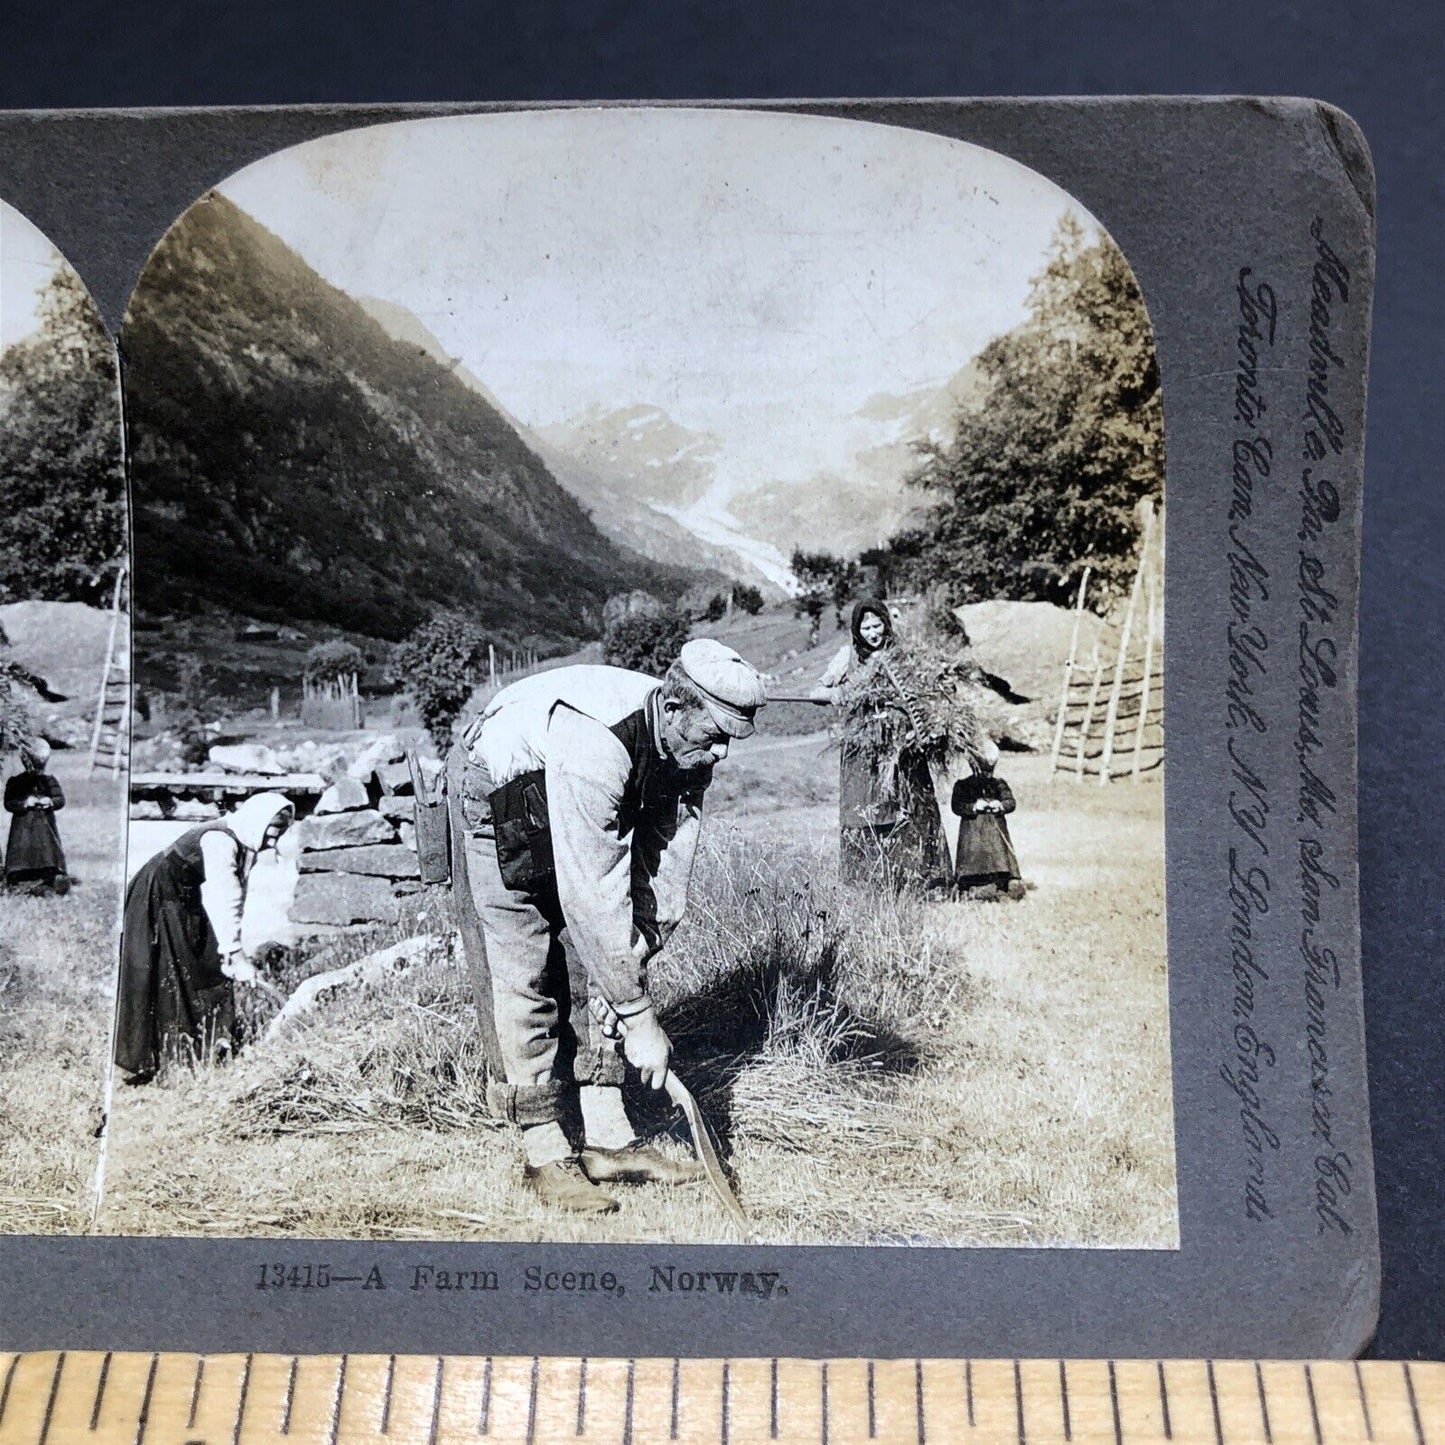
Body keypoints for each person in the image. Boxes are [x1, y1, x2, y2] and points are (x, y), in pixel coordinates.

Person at [448, 639, 767, 1214]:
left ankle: (608, 1142)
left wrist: (632, 968)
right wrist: (640, 1018)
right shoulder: (599, 743)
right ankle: (545, 1150)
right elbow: (591, 897)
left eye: (731, 740)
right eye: (715, 735)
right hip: (497, 789)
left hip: (565, 793)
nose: (721, 753)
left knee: (603, 966)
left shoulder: (688, 751)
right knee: (526, 965)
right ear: (673, 710)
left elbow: (665, 872)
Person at [114, 792, 295, 1082]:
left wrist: (230, 953)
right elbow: (226, 895)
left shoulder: (245, 841)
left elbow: (238, 896)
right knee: (172, 970)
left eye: (280, 835)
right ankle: (170, 1058)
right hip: (156, 895)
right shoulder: (220, 840)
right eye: (272, 833)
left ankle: (205, 1048)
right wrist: (235, 953)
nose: (273, 842)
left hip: (183, 897)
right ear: (258, 822)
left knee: (205, 962)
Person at [813, 599, 949, 888]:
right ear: (856, 630)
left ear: (886, 624)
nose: (873, 633)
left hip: (902, 746)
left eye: (878, 626)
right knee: (868, 805)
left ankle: (921, 879)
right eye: (866, 628)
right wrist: (835, 693)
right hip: (863, 748)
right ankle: (869, 881)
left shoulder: (900, 656)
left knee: (910, 805)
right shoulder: (847, 656)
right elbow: (817, 690)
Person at [950, 754, 1025, 901]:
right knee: (973, 864)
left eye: (989, 771)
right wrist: (973, 807)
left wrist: (1001, 805)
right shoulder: (963, 785)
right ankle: (972, 888)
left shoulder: (999, 784)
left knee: (999, 862)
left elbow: (1011, 802)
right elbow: (956, 806)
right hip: (972, 834)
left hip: (995, 833)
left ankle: (999, 886)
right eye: (982, 770)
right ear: (974, 767)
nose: (986, 775)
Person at [4, 739, 68, 894]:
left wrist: (51, 801)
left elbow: (60, 799)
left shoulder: (49, 781)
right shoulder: (16, 782)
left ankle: (48, 879)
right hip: (22, 830)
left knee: (48, 855)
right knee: (22, 857)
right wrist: (25, 802)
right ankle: (22, 880)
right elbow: (9, 803)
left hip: (45, 828)